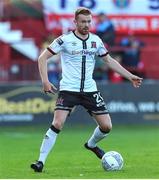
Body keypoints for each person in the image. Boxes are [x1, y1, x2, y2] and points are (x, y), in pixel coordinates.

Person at [30, 7, 143, 172]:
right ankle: (40, 162)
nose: (86, 24)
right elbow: (42, 58)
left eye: (89, 21)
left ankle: (91, 144)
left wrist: (130, 76)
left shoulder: (96, 40)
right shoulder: (64, 40)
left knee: (107, 127)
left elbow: (109, 61)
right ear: (75, 22)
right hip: (69, 89)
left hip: (90, 90)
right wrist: (45, 81)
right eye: (83, 21)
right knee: (57, 123)